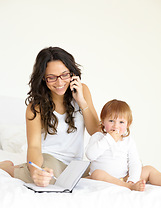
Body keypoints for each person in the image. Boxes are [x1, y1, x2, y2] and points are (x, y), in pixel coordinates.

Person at [0, 47, 100, 187]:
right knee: (52, 180)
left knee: (99, 173)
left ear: (72, 73)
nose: (59, 83)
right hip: (50, 158)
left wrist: (81, 101)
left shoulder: (83, 91)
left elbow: (96, 130)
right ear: (43, 78)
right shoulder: (35, 108)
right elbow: (34, 146)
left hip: (75, 163)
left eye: (64, 75)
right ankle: (9, 168)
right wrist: (36, 172)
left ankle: (18, 168)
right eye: (51, 77)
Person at [85, 99, 161, 191]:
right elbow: (90, 155)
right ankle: (129, 187)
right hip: (105, 179)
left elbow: (134, 162)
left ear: (127, 124)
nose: (115, 126)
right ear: (103, 121)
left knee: (149, 169)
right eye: (111, 121)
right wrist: (109, 139)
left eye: (121, 122)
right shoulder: (98, 137)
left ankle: (130, 184)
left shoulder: (128, 141)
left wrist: (132, 180)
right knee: (97, 174)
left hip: (124, 178)